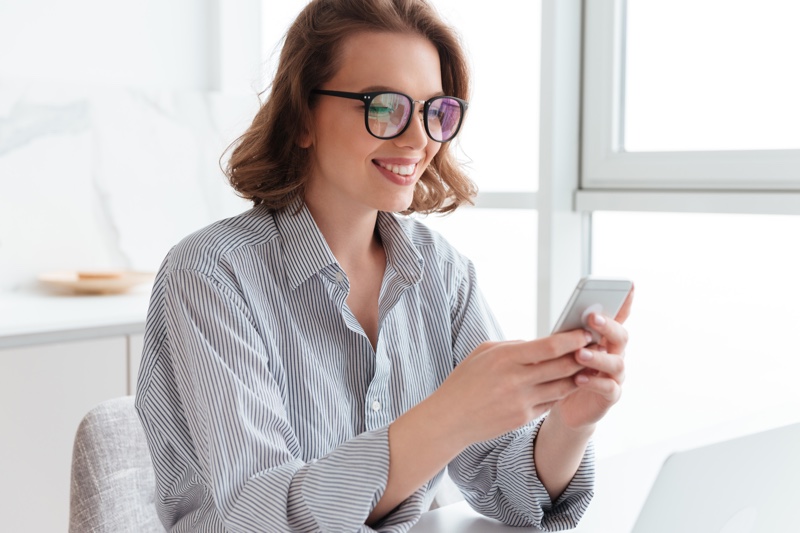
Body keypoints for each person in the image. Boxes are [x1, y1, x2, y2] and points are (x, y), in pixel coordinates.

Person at [135, 0, 633, 531]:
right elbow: (262, 517)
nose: (418, 139)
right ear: (302, 117)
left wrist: (570, 425)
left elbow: (508, 490)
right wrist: (449, 416)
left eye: (434, 111)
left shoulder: (441, 273)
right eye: (384, 107)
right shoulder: (209, 276)